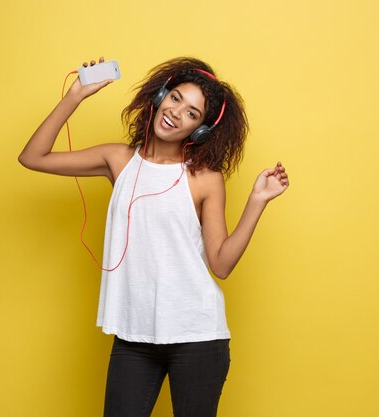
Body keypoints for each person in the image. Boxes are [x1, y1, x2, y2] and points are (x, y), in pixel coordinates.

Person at [18, 56, 290, 417]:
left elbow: (221, 265)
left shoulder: (205, 178)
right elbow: (32, 157)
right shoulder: (118, 159)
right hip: (134, 336)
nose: (177, 113)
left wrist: (258, 201)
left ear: (201, 130)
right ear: (160, 94)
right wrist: (76, 96)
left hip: (197, 335)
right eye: (176, 98)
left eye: (192, 113)